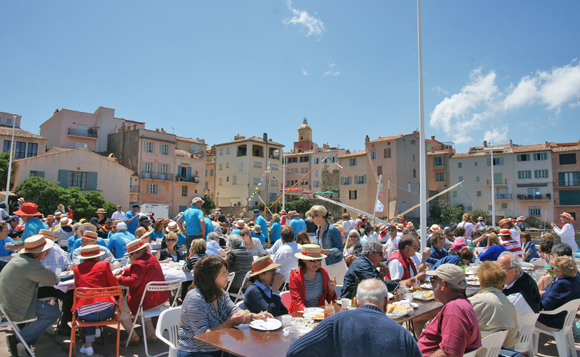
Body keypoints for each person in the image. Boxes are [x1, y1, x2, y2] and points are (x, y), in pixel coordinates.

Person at [287, 278, 422, 357]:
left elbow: (294, 352)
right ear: (386, 302)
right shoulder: (402, 335)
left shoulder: (335, 323)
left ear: (356, 302)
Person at [177, 255, 272, 356]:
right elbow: (202, 335)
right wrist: (229, 323)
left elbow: (234, 310)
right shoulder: (196, 298)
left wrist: (255, 316)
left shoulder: (220, 293)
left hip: (219, 347)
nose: (228, 274)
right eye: (223, 273)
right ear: (210, 278)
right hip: (195, 351)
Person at [0, 235, 61, 356]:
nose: (47, 253)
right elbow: (52, 279)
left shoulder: (21, 259)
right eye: (46, 250)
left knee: (46, 304)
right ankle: (20, 339)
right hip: (16, 306)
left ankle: (24, 342)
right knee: (54, 313)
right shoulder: (31, 264)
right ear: (38, 252)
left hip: (8, 302)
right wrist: (48, 273)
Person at [418, 264, 482, 356]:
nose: (431, 285)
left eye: (432, 281)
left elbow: (449, 353)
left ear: (443, 285)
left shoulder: (454, 309)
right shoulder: (462, 303)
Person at [114, 238, 168, 345]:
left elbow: (134, 282)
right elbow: (140, 270)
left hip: (146, 302)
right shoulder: (151, 258)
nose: (129, 257)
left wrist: (119, 278)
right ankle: (150, 332)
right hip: (159, 299)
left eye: (130, 254)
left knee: (119, 306)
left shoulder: (138, 263)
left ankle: (132, 335)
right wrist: (124, 271)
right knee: (140, 304)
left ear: (138, 253)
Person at [72, 244, 120, 356]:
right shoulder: (104, 264)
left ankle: (89, 345)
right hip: (106, 311)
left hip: (85, 313)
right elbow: (114, 285)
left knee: (89, 309)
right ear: (97, 256)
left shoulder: (76, 269)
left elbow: (78, 286)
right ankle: (96, 331)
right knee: (96, 306)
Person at [468, 261, 519, 348]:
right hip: (498, 351)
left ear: (480, 283)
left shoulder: (471, 303)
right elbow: (512, 340)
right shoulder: (509, 304)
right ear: (502, 283)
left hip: (476, 352)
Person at [289, 244, 337, 313]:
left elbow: (331, 301)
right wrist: (310, 314)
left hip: (319, 314)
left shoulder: (323, 273)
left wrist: (331, 290)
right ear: (304, 260)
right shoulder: (295, 276)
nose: (316, 263)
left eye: (318, 260)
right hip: (301, 316)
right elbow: (297, 302)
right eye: (312, 260)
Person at [537, 256, 580, 330]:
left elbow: (545, 307)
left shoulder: (561, 284)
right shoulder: (576, 282)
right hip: (564, 320)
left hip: (552, 321)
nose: (553, 270)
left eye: (554, 268)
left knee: (521, 317)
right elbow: (555, 298)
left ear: (561, 272)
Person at [310, 205, 347, 285]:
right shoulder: (318, 230)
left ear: (319, 216)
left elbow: (340, 250)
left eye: (312, 216)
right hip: (324, 265)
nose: (311, 219)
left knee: (338, 290)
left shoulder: (332, 229)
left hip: (335, 265)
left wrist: (325, 251)